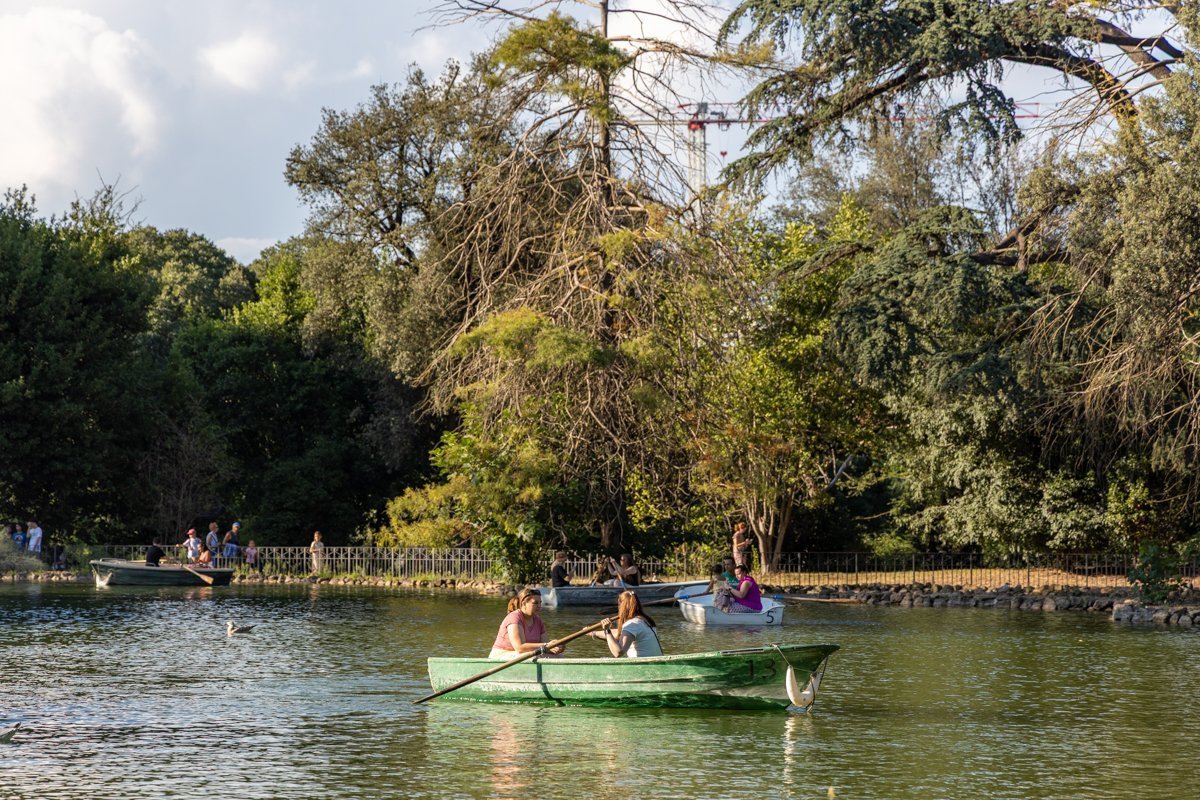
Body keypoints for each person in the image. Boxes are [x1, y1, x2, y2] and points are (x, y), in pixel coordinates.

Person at [489, 588, 564, 659]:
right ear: (524, 603)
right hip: (502, 655)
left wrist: (555, 647)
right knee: (533, 657)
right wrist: (546, 645)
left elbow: (546, 645)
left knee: (559, 656)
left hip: (525, 654)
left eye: (540, 603)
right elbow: (520, 648)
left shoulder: (538, 620)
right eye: (535, 603)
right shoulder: (514, 617)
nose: (539, 606)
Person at [589, 590, 663, 658]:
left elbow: (618, 653)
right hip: (653, 665)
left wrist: (607, 630)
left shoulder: (632, 624)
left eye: (619, 605)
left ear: (622, 606)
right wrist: (593, 633)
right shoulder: (644, 620)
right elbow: (618, 634)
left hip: (642, 667)